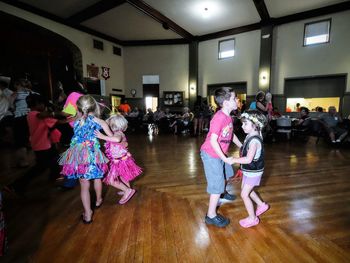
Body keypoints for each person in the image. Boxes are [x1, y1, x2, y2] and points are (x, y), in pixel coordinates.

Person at [59, 95, 111, 224]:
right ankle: (98, 200)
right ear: (95, 106)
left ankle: (88, 214)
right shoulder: (99, 121)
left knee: (84, 185)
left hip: (78, 155)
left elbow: (64, 120)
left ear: (78, 107)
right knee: (97, 177)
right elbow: (111, 136)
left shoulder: (76, 119)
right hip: (93, 154)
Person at [10, 93, 67, 193]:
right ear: (37, 104)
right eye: (42, 104)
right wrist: (55, 112)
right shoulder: (32, 114)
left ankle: (55, 179)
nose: (44, 106)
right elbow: (44, 115)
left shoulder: (41, 116)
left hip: (46, 144)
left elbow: (57, 122)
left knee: (54, 160)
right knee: (40, 167)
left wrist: (73, 118)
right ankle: (16, 185)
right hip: (40, 146)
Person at [200, 87, 240, 227]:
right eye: (234, 98)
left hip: (220, 154)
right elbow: (212, 141)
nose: (237, 100)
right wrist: (224, 158)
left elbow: (231, 134)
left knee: (227, 173)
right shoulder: (218, 118)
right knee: (216, 184)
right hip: (211, 154)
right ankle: (211, 215)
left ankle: (222, 193)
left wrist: (241, 145)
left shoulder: (228, 117)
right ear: (226, 102)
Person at [228, 110, 269, 228]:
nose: (242, 126)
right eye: (242, 123)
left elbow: (248, 159)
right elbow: (242, 147)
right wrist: (232, 136)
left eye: (245, 123)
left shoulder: (255, 141)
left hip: (253, 172)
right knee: (246, 191)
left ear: (255, 126)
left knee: (244, 194)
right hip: (249, 171)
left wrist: (233, 160)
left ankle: (253, 218)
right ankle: (261, 205)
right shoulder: (250, 135)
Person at [95, 114, 141, 204]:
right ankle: (127, 190)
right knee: (123, 176)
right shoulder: (119, 132)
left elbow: (116, 140)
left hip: (120, 160)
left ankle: (127, 191)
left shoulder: (118, 133)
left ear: (113, 126)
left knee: (111, 180)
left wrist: (102, 136)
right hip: (121, 160)